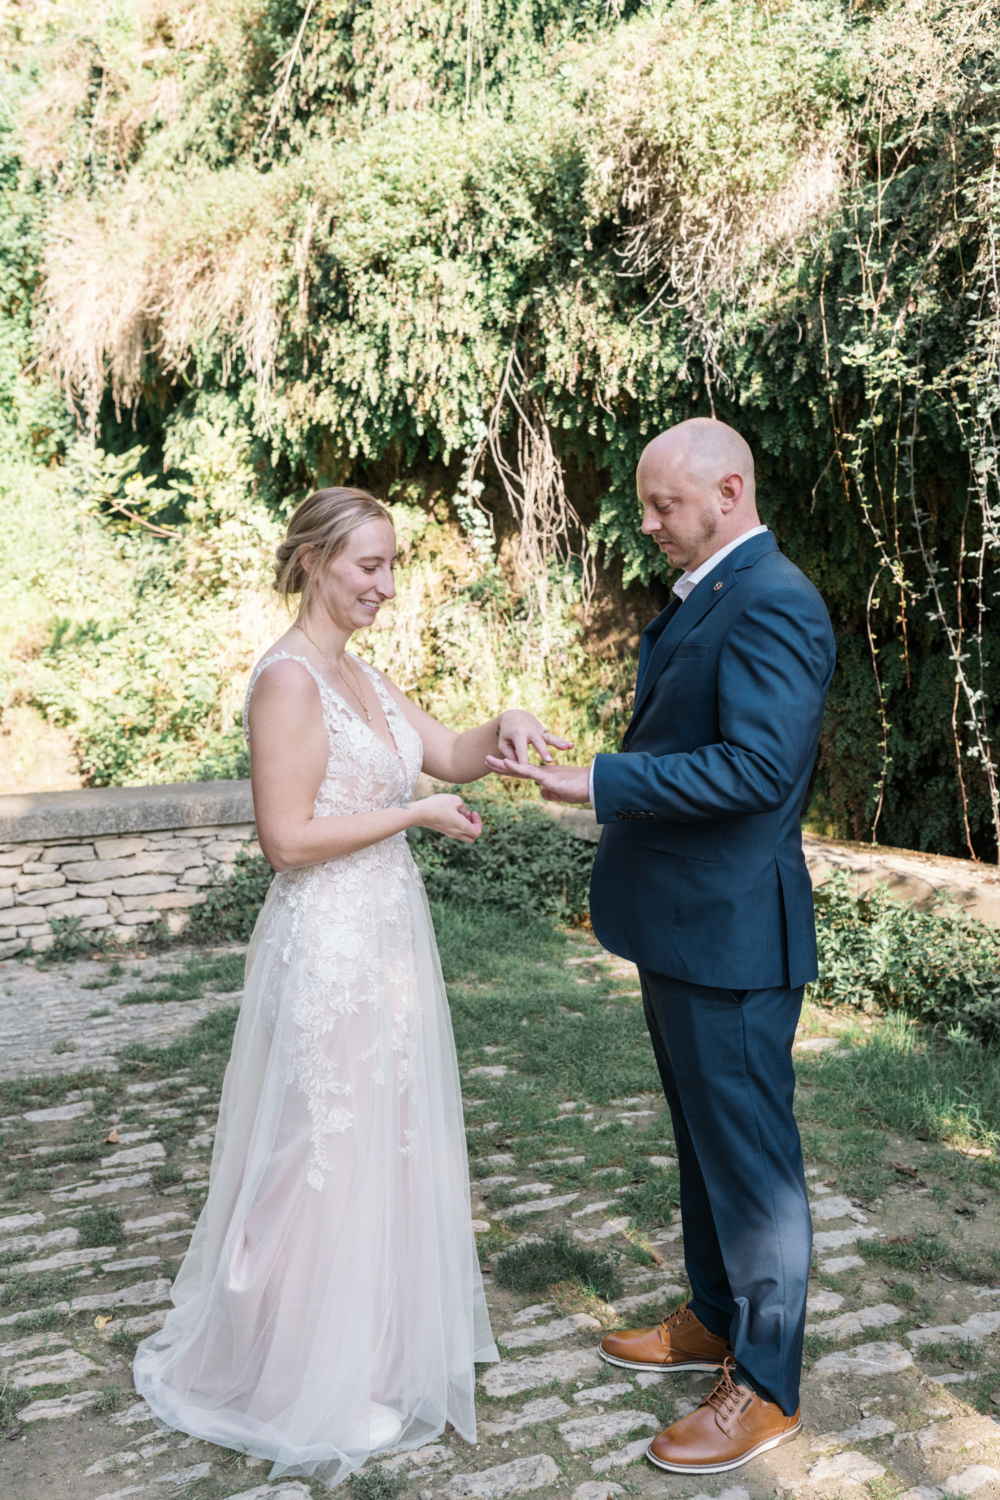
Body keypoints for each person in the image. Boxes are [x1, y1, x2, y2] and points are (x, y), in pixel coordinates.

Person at [134, 487, 569, 1486]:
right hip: (327, 945)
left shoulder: (359, 673)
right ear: (314, 562)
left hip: (384, 942)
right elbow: (286, 841)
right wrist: (414, 817)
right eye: (367, 565)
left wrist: (497, 728)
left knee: (376, 1140)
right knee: (312, 1157)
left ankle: (359, 1357)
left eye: (390, 564)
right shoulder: (288, 681)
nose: (384, 584)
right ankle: (283, 1372)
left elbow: (447, 754)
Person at [487, 418, 836, 1477]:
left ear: (728, 493)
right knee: (699, 1143)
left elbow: (754, 772)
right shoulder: (719, 591)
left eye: (662, 507)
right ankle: (714, 1318)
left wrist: (604, 781)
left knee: (753, 1167)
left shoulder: (774, 600)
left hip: (733, 933)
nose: (645, 526)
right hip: (681, 925)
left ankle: (766, 1385)